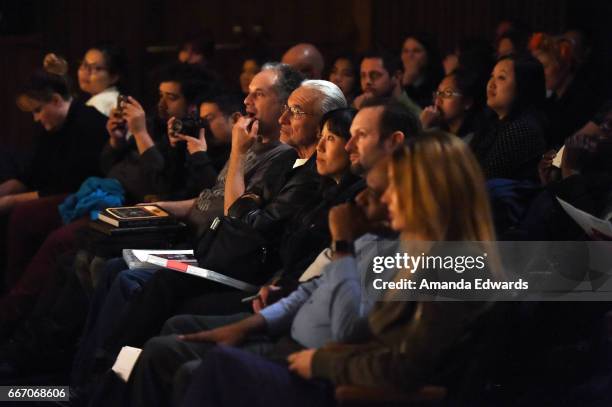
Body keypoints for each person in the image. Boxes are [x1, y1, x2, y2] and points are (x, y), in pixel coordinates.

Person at [178, 131, 503, 407]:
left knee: (216, 366)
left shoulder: (458, 267)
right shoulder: (418, 253)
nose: (385, 198)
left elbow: (405, 369)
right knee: (192, 365)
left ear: (428, 193)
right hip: (335, 371)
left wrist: (322, 361)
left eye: (396, 186)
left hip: (347, 391)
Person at [471, 54, 547, 180]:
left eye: (501, 77)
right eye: (492, 76)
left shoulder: (522, 129)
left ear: (523, 85)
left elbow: (484, 176)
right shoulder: (491, 122)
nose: (491, 84)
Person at [529, 32, 602, 148]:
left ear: (564, 64)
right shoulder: (550, 101)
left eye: (545, 67)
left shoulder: (584, 100)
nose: (539, 74)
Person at [44, 43, 128, 117]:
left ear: (114, 77)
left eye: (96, 68)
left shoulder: (101, 102)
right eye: (84, 64)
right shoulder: (117, 98)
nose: (86, 72)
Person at [419, 67, 487, 143]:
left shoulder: (473, 139)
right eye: (438, 92)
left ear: (467, 102)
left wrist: (422, 127)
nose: (438, 100)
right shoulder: (437, 131)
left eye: (448, 93)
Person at [353, 50, 421, 118]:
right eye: (363, 76)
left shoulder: (413, 114)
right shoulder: (358, 105)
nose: (367, 81)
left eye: (375, 75)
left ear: (397, 76)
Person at [399, 33, 444, 108]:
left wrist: (407, 85)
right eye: (405, 51)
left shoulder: (440, 84)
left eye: (416, 51)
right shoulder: (394, 78)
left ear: (429, 55)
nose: (410, 55)